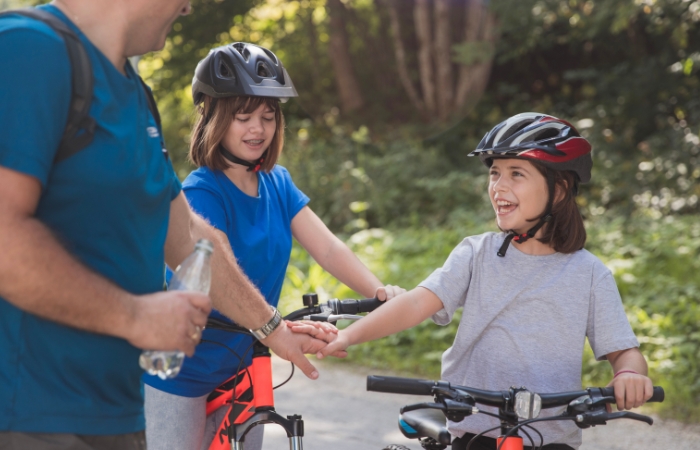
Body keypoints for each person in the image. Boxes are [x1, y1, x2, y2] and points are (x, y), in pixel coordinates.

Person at [0, 2, 340, 449]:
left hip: (118, 413)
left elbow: (189, 237)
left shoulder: (134, 94)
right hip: (34, 414)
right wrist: (134, 315)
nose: (188, 6)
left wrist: (274, 329)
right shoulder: (28, 48)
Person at [307, 113, 655, 450]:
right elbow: (415, 302)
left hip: (552, 439)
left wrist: (629, 375)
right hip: (476, 432)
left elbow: (624, 351)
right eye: (494, 173)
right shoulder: (476, 254)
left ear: (559, 189)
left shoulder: (588, 274)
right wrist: (348, 336)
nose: (498, 186)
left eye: (516, 174)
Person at [142, 42, 404, 450]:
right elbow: (218, 274)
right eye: (242, 116)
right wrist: (275, 326)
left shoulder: (278, 183)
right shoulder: (202, 192)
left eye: (267, 116)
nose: (257, 129)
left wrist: (379, 291)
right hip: (182, 372)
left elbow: (329, 248)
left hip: (245, 364)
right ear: (213, 119)